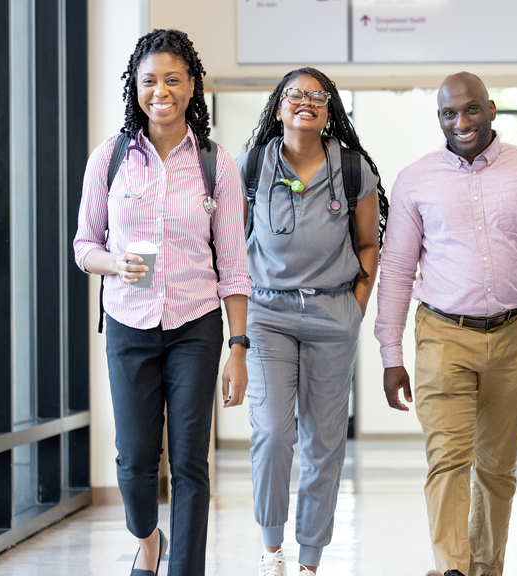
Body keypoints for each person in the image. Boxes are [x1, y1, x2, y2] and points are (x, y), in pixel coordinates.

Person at [375, 72, 517, 576]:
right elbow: (397, 271)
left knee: (497, 468)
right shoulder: (415, 180)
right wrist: (390, 356)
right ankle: (452, 570)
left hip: (515, 335)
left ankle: (486, 568)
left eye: (470, 109)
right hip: (442, 335)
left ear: (490, 108)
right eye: (448, 113)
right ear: (438, 117)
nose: (461, 122)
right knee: (447, 460)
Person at [73, 29, 250, 576]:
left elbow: (235, 263)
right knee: (134, 462)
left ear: (192, 85)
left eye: (173, 79)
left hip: (195, 326)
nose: (161, 91)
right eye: (150, 81)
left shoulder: (215, 163)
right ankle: (148, 539)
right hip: (128, 323)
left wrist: (238, 345)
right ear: (136, 87)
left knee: (191, 462)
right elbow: (84, 246)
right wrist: (113, 263)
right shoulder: (111, 158)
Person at [237, 67, 388, 576]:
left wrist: (356, 306)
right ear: (278, 107)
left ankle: (309, 562)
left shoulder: (351, 170)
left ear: (329, 111)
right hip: (266, 314)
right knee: (274, 433)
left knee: (325, 443)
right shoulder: (251, 167)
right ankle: (272, 549)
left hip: (332, 315)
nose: (306, 101)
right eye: (294, 95)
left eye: (317, 96)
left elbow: (369, 243)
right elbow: (230, 249)